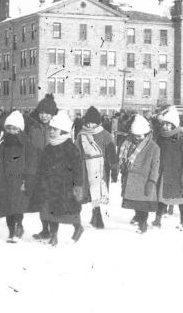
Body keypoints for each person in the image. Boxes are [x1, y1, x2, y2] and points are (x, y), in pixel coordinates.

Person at [0, 111, 36, 242]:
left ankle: (19, 227)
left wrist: (28, 179)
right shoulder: (3, 144)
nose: (11, 131)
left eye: (14, 128)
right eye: (8, 128)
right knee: (7, 207)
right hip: (4, 181)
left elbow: (31, 163)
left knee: (17, 207)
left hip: (19, 180)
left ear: (20, 129)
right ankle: (11, 231)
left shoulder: (26, 144)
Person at [37, 111, 84, 246]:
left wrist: (78, 186)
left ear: (63, 131)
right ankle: (54, 236)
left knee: (69, 213)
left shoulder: (71, 148)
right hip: (50, 185)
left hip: (66, 187)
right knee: (51, 212)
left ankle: (78, 227)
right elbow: (42, 166)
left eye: (55, 129)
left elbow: (78, 169)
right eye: (50, 129)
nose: (51, 132)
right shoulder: (48, 147)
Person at [119, 114, 161, 233]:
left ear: (147, 134)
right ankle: (138, 218)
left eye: (140, 136)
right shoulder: (128, 143)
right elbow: (123, 158)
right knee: (135, 203)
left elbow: (155, 166)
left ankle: (143, 225)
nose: (137, 138)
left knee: (143, 206)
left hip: (144, 180)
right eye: (135, 136)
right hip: (131, 178)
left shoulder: (154, 147)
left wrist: (152, 181)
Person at [76, 106, 117, 229]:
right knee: (88, 192)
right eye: (88, 122)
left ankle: (97, 216)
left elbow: (112, 154)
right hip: (85, 167)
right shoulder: (81, 135)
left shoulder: (106, 135)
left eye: (92, 122)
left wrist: (114, 168)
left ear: (98, 122)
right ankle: (96, 215)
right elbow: (76, 152)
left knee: (97, 192)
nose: (90, 125)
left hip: (101, 168)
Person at [26, 94, 58, 240]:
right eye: (41, 112)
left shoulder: (58, 129)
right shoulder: (33, 127)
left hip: (53, 172)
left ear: (53, 114)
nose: (44, 115)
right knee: (41, 202)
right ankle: (45, 230)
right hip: (37, 171)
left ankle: (53, 233)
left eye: (47, 113)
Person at [153, 107, 183, 228]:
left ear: (174, 125)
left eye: (168, 124)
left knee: (180, 198)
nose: (165, 127)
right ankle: (157, 219)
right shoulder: (161, 137)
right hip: (164, 173)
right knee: (161, 197)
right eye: (164, 124)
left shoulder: (181, 138)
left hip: (177, 173)